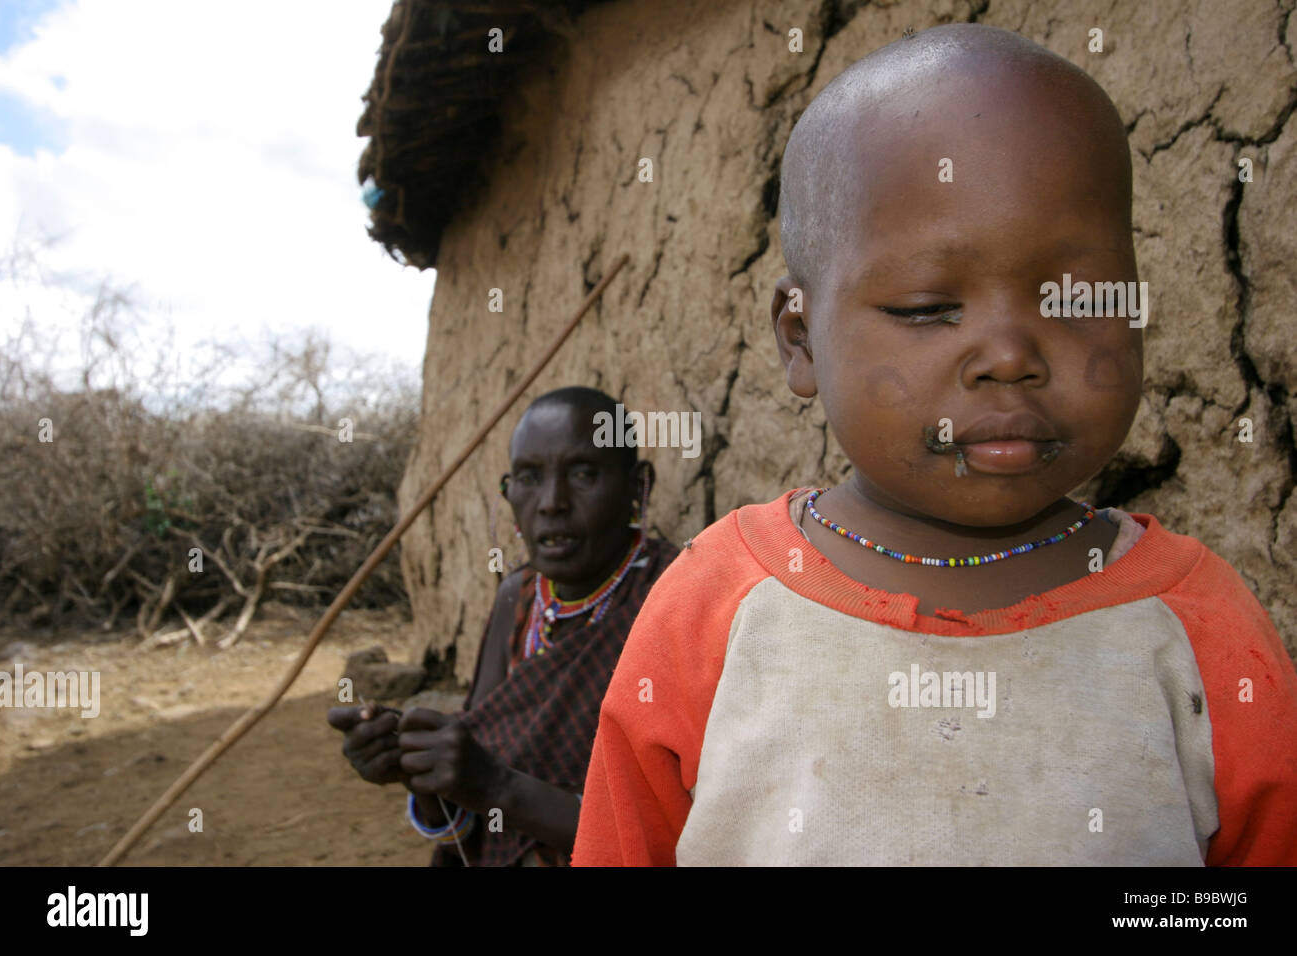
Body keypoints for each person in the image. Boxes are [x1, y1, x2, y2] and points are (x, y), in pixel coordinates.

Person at [572, 24, 1297, 866]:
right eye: (925, 308)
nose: (1010, 357)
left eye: (1073, 299)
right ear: (801, 340)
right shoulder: (716, 610)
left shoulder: (1200, 628)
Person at [328, 386, 678, 865]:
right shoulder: (518, 598)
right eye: (529, 478)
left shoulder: (677, 601)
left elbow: (672, 836)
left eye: (582, 474)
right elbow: (476, 784)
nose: (552, 502)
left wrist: (498, 786)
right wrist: (418, 761)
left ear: (637, 487)